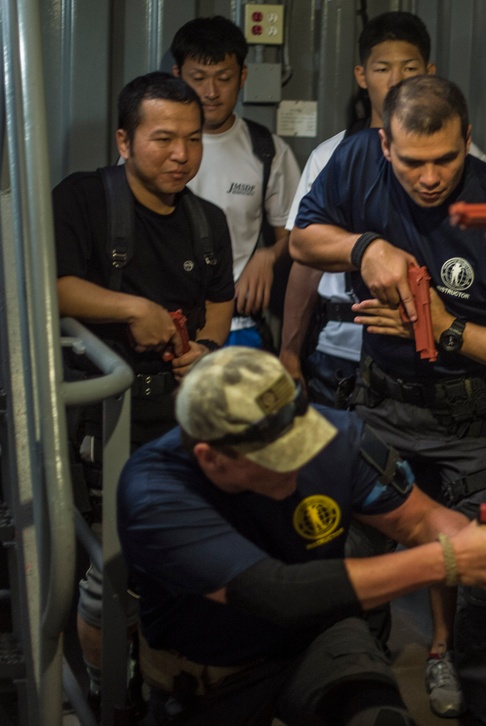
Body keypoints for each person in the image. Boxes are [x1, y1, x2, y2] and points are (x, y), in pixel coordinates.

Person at [291, 75, 486, 725]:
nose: (431, 177)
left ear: (468, 140)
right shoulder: (356, 160)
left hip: (482, 427)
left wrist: (445, 327)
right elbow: (304, 243)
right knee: (345, 574)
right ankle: (355, 706)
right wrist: (366, 247)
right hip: (384, 406)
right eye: (413, 162)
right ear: (385, 144)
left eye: (447, 158)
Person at [118, 346, 486, 725]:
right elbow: (275, 592)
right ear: (211, 458)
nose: (299, 462)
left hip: (316, 637)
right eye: (278, 456)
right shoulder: (156, 492)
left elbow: (420, 522)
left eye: (299, 440)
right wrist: (447, 560)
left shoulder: (338, 436)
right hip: (209, 669)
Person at [53, 71, 235, 711]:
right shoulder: (82, 200)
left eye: (193, 139)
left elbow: (220, 303)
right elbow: (51, 285)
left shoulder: (209, 223)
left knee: (175, 567)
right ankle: (107, 695)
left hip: (179, 422)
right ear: (125, 141)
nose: (181, 155)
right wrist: (132, 307)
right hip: (99, 421)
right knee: (110, 570)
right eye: (163, 139)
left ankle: (159, 689)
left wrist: (207, 350)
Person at [280, 10, 486, 407]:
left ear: (429, 72)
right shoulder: (332, 156)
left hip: (430, 353)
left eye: (408, 67)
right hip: (340, 346)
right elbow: (304, 258)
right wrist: (289, 352)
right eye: (382, 68)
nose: (396, 80)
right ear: (362, 75)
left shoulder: (468, 160)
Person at [171, 15, 301, 349]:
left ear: (242, 77)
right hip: (164, 326)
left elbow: (297, 235)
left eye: (223, 78)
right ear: (177, 77)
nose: (210, 92)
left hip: (237, 328)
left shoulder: (267, 150)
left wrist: (269, 255)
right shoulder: (152, 149)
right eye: (197, 78)